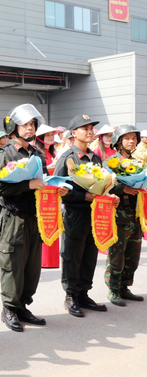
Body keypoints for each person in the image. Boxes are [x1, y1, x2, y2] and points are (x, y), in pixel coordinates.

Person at [0, 106, 69, 333]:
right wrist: (26, 184)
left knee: (31, 265)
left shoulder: (36, 153)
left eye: (33, 125)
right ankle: (9, 308)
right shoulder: (4, 153)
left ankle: (23, 306)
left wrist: (56, 188)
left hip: (34, 217)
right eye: (25, 124)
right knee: (13, 264)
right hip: (14, 217)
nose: (30, 128)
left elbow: (42, 181)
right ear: (13, 127)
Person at [54, 114, 119, 317]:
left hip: (95, 213)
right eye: (85, 128)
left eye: (92, 128)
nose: (91, 132)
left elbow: (103, 184)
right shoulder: (67, 158)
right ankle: (71, 295)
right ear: (74, 134)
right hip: (74, 213)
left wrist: (110, 196)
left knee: (90, 253)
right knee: (72, 254)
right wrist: (86, 196)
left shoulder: (96, 157)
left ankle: (84, 292)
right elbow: (59, 188)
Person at [104, 125, 144, 306]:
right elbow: (102, 186)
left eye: (134, 138)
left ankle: (125, 286)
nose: (131, 141)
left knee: (133, 254)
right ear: (118, 141)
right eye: (127, 138)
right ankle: (113, 288)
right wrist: (123, 188)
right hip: (118, 216)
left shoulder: (138, 162)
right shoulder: (110, 162)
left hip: (135, 214)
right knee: (117, 254)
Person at [35, 124, 62, 269]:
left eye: (52, 135)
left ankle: (52, 260)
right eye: (48, 135)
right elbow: (40, 171)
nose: (51, 137)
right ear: (41, 138)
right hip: (43, 193)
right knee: (44, 223)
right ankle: (43, 260)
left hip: (54, 193)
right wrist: (54, 165)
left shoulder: (54, 152)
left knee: (54, 223)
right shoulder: (36, 153)